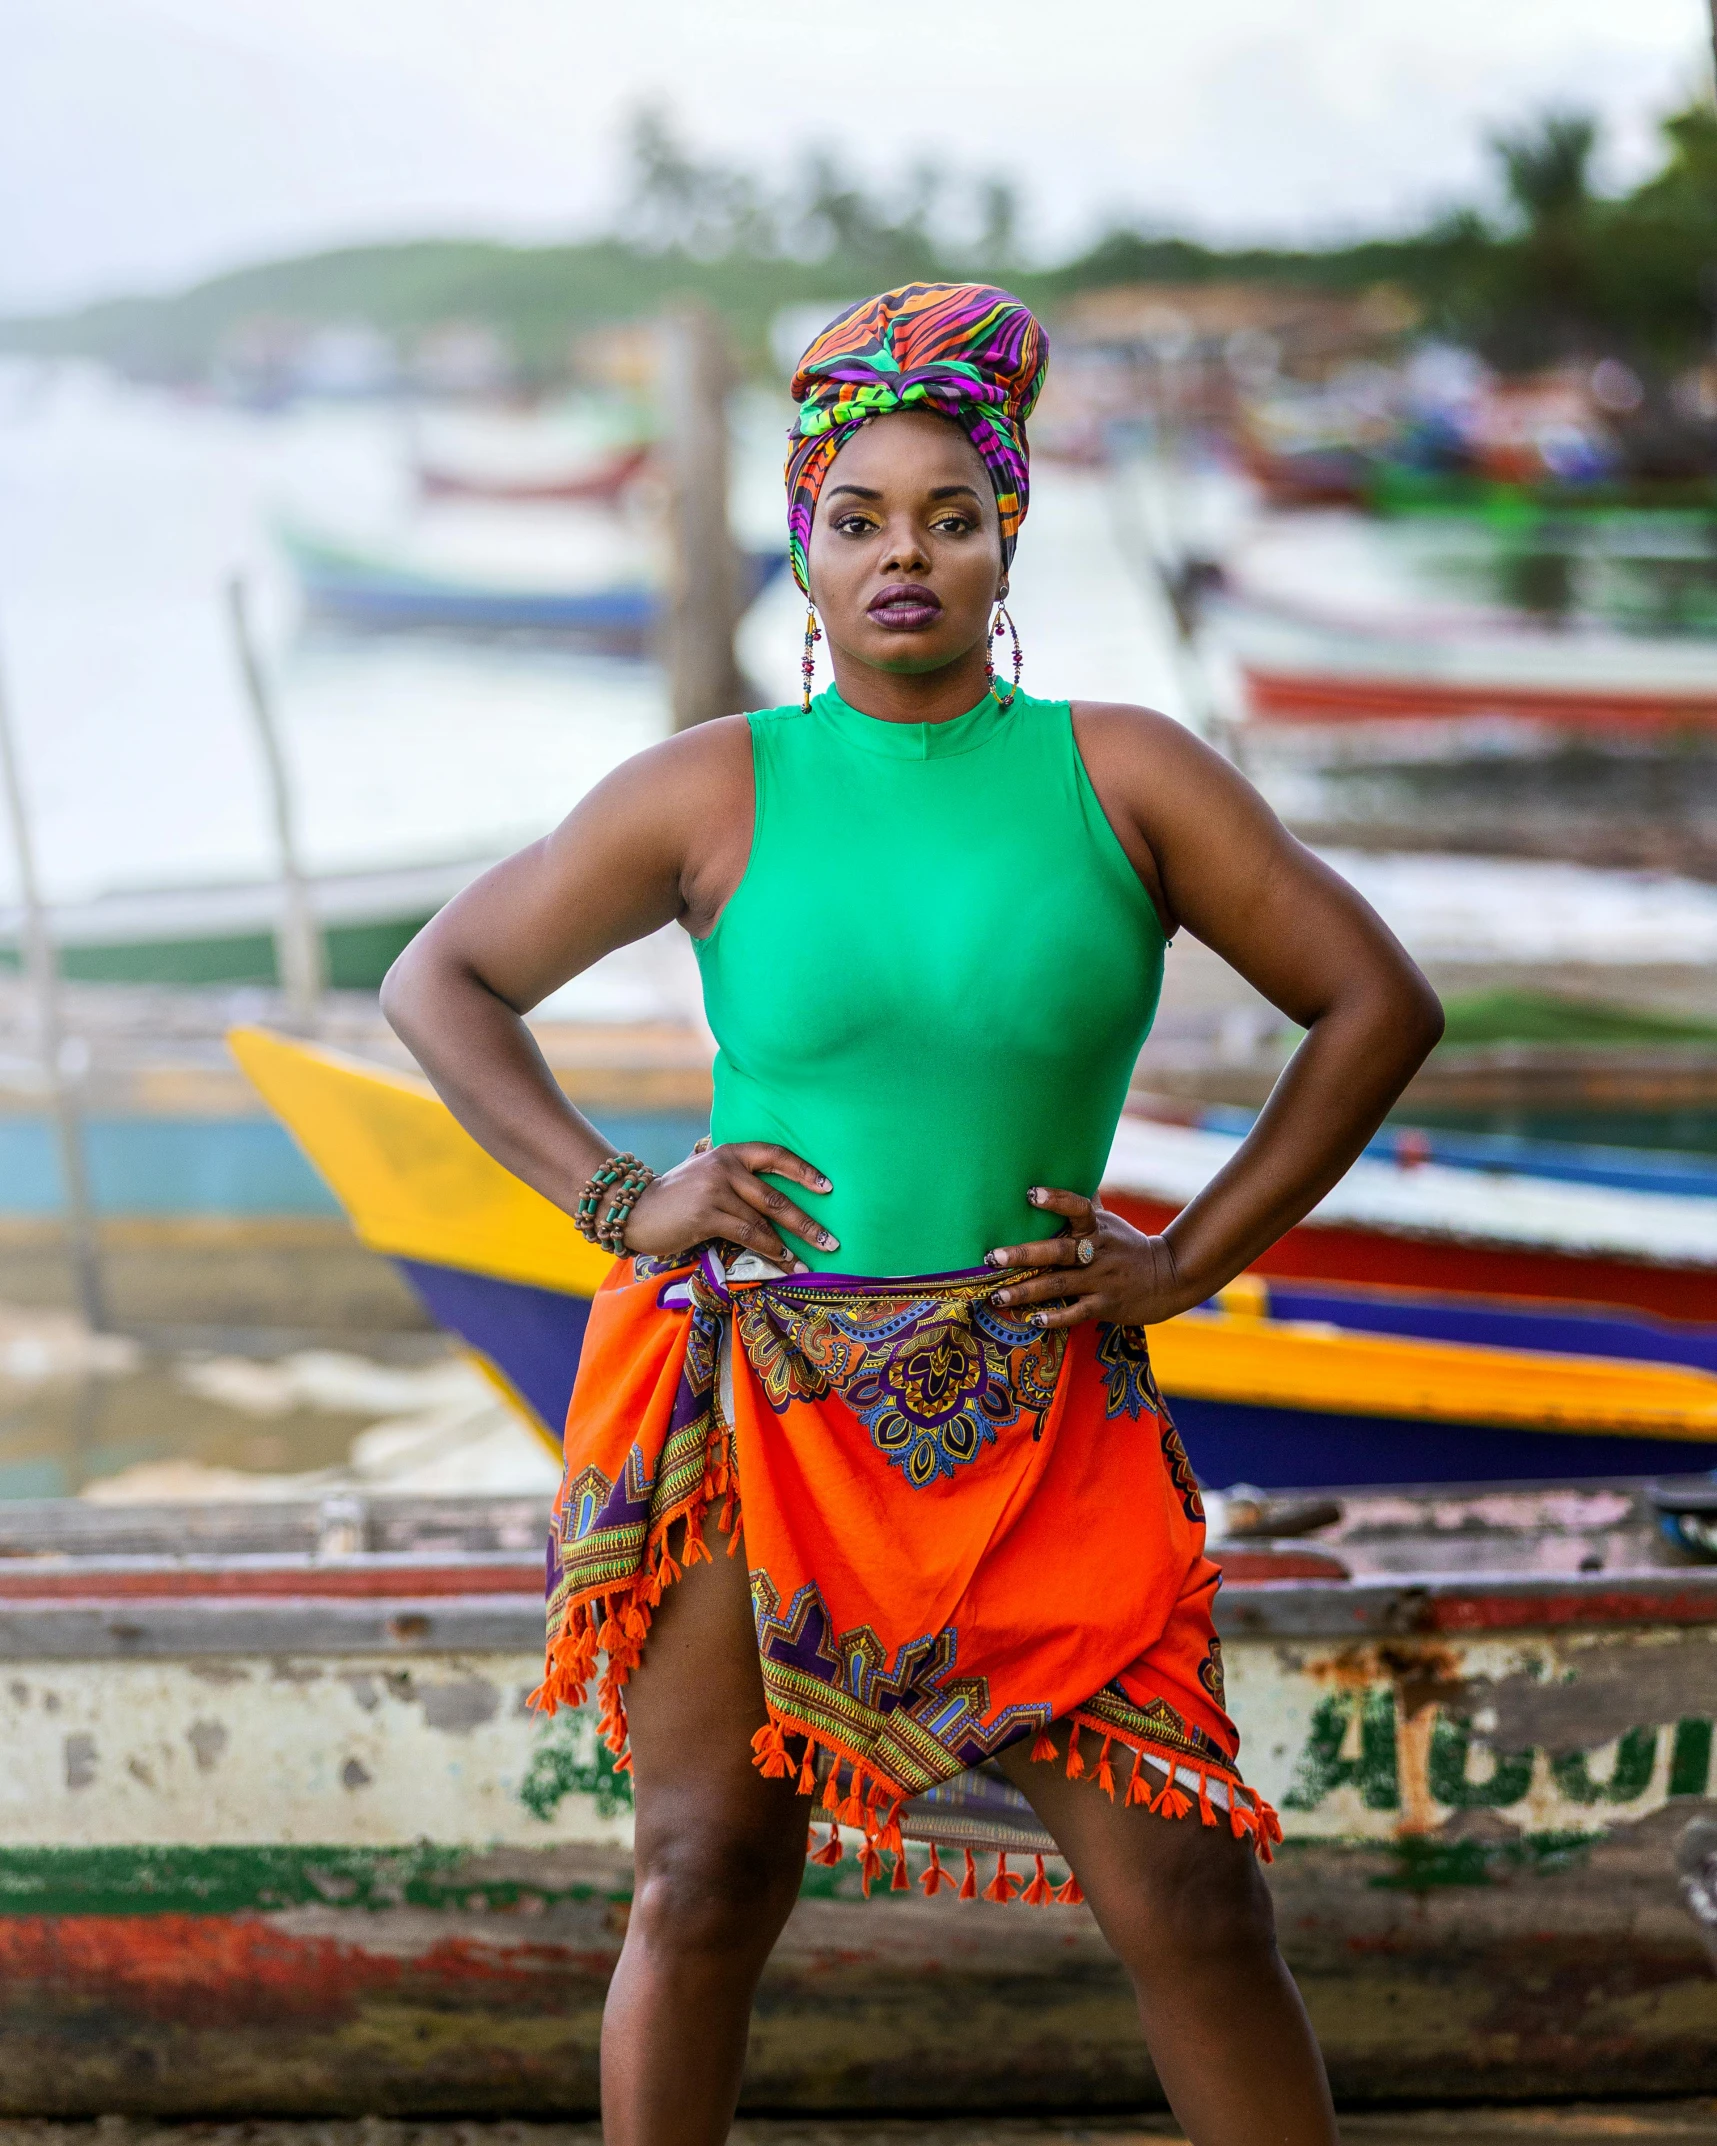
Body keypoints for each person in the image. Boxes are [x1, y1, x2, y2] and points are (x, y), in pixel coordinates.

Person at [381, 282, 1443, 2146]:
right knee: (704, 1878)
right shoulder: (716, 787)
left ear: (1007, 533)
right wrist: (625, 1197)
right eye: (857, 517)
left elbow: (1376, 1004)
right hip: (751, 1408)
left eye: (950, 515)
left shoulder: (1126, 777)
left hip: (1043, 1407)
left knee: (1194, 1902)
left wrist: (1185, 1260)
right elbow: (442, 981)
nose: (904, 555)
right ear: (798, 541)